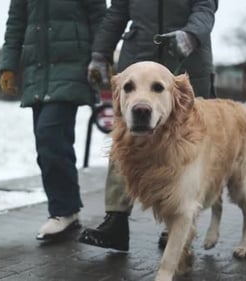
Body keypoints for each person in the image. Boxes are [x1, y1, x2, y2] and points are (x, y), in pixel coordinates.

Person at [78, 0, 219, 251]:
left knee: (185, 141)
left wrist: (192, 35)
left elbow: (205, 8)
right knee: (125, 141)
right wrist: (100, 54)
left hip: (187, 61)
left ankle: (177, 224)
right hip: (138, 58)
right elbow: (117, 13)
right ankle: (116, 220)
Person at [0, 0, 106, 240]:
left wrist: (101, 56)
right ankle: (67, 210)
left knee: (50, 135)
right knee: (47, 144)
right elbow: (15, 23)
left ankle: (64, 211)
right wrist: (8, 64)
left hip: (72, 66)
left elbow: (100, 18)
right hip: (38, 70)